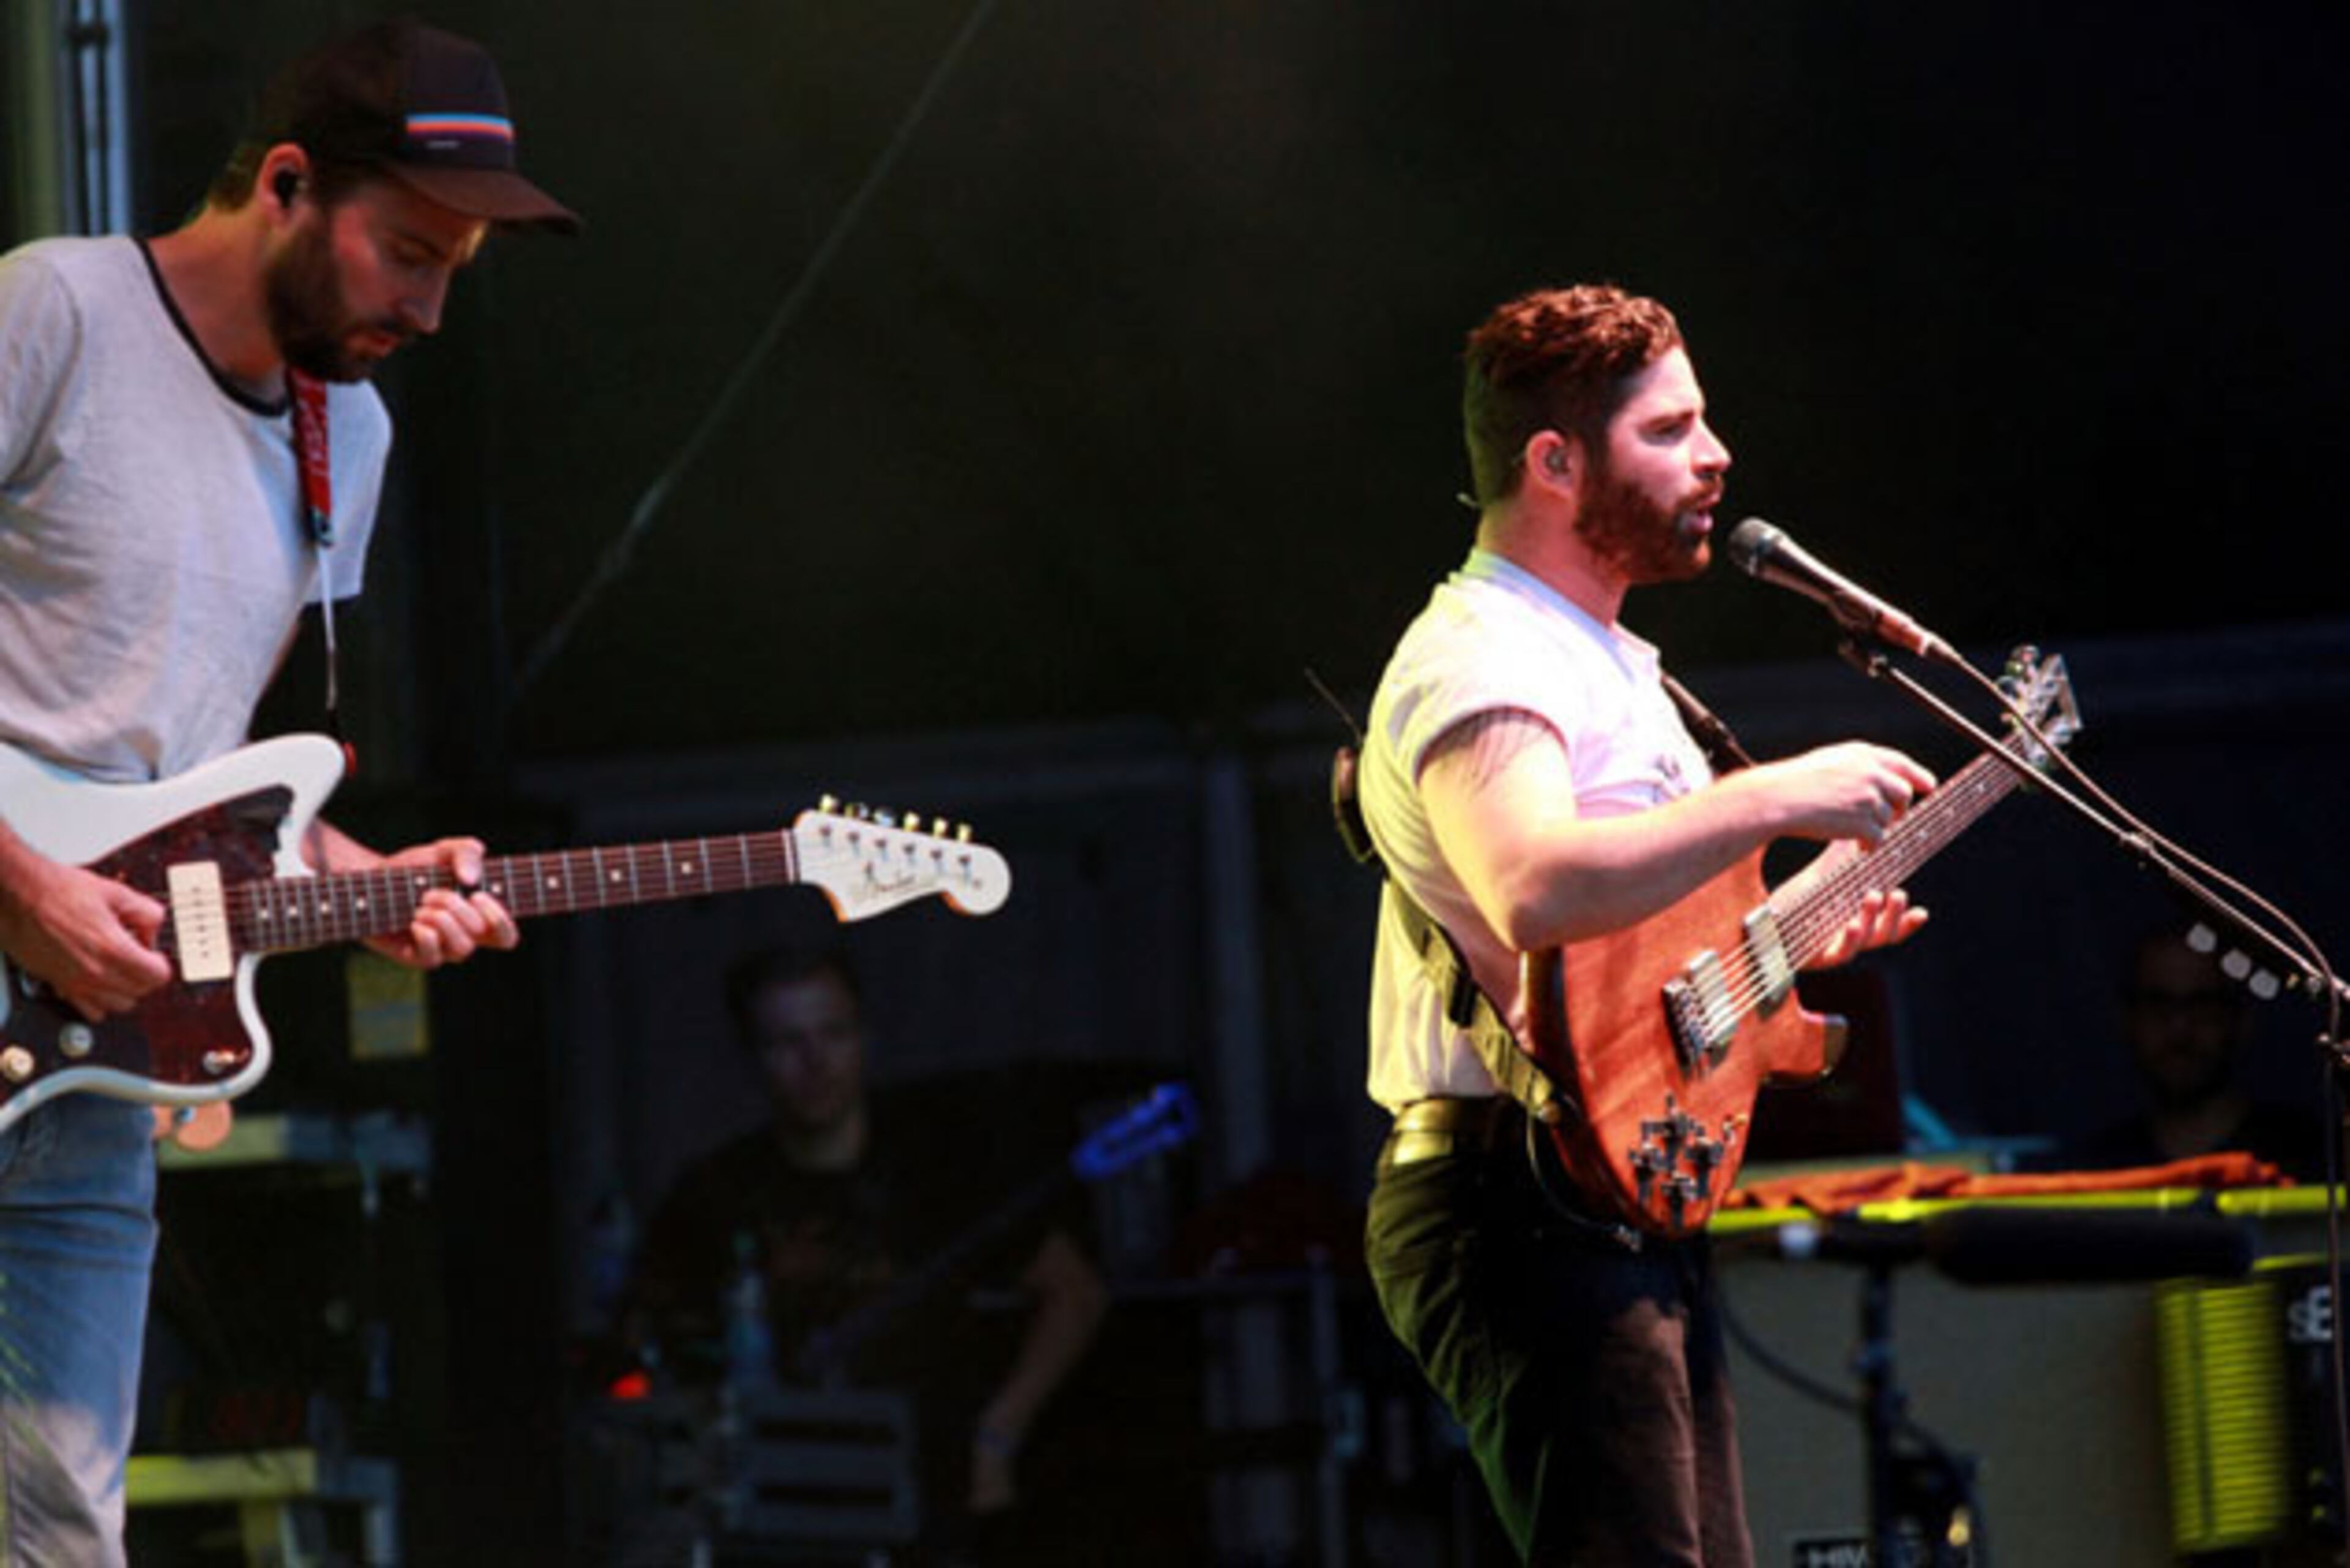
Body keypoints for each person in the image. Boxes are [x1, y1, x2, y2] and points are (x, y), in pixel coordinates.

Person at [0, 18, 573, 1560]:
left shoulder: (349, 444)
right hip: (26, 932)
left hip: (87, 1083)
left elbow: (206, 785)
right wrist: (24, 888)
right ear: (287, 185)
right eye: (410, 253)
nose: (429, 308)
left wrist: (364, 882)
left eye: (455, 270)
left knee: (63, 1539)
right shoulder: (57, 310)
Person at [1356, 283, 1938, 1566]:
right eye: (1669, 429)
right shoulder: (1486, 655)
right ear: (1555, 463)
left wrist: (1789, 935)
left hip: (1602, 1189)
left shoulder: (1615, 665)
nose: (1715, 455)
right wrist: (1778, 794)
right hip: (1514, 1196)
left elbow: (1630, 967)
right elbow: (1534, 886)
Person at [627, 944, 1111, 1561]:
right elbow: (647, 1337)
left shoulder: (937, 1167)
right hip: (773, 1505)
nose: (815, 1063)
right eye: (788, 1043)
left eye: (834, 1034)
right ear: (753, 1057)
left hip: (932, 1498)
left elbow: (1075, 1292)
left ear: (865, 1037)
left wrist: (998, 1434)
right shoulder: (716, 1192)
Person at [2061, 927, 2328, 1182]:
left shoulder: (2309, 1157)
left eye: (2202, 1003)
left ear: (2240, 1019)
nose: (2180, 1028)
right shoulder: (2098, 1169)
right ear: (2128, 1019)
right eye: (2159, 1004)